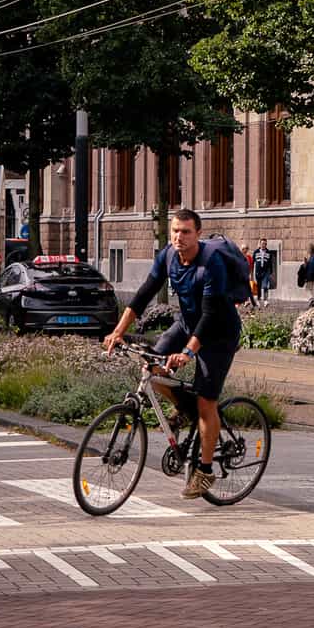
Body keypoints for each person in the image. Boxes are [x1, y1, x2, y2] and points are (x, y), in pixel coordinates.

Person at [104, 207, 242, 501]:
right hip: (186, 324)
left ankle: (204, 471)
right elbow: (143, 294)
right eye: (176, 231)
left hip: (218, 333)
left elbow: (210, 315)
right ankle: (184, 408)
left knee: (206, 401)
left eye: (186, 232)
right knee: (151, 368)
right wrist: (118, 331)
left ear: (198, 234)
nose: (179, 237)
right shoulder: (168, 255)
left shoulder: (211, 262)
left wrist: (188, 354)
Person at [252, 238, 274, 302]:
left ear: (266, 244)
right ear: (260, 244)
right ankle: (259, 298)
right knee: (258, 286)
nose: (263, 245)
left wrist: (271, 272)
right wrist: (252, 271)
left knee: (265, 286)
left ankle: (265, 300)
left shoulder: (268, 252)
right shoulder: (256, 252)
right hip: (258, 271)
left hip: (266, 271)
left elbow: (270, 263)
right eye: (262, 243)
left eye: (265, 244)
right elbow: (253, 262)